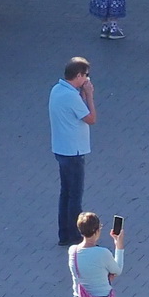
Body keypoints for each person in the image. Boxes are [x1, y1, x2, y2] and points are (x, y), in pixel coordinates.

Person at [51, 58, 97, 247]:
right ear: (78, 75)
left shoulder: (57, 90)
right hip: (73, 152)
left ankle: (64, 234)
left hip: (61, 149)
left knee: (66, 193)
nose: (87, 79)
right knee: (75, 195)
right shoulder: (72, 96)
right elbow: (91, 118)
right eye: (85, 75)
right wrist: (89, 95)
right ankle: (76, 236)